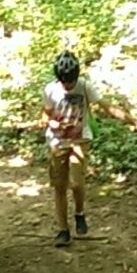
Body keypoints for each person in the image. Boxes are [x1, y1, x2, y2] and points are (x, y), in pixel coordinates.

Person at [41, 50, 102, 247]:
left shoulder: (85, 87)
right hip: (57, 142)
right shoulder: (50, 90)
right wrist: (53, 124)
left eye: (71, 81)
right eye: (64, 81)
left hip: (80, 140)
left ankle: (79, 213)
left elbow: (104, 105)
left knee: (76, 183)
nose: (68, 85)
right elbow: (45, 116)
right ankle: (63, 230)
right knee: (59, 187)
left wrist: (130, 119)